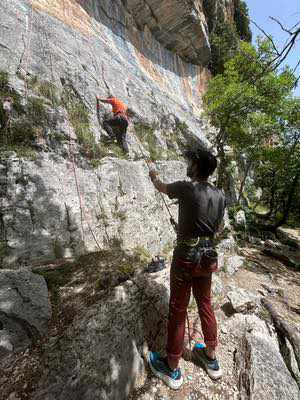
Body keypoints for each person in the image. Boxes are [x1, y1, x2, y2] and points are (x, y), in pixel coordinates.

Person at [147, 148, 226, 390]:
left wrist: (152, 174)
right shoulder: (220, 195)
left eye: (190, 161)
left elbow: (161, 186)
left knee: (178, 308)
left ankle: (171, 367)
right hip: (207, 256)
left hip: (186, 257)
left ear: (197, 166)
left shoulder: (187, 187)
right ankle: (211, 358)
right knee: (205, 303)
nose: (188, 164)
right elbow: (218, 228)